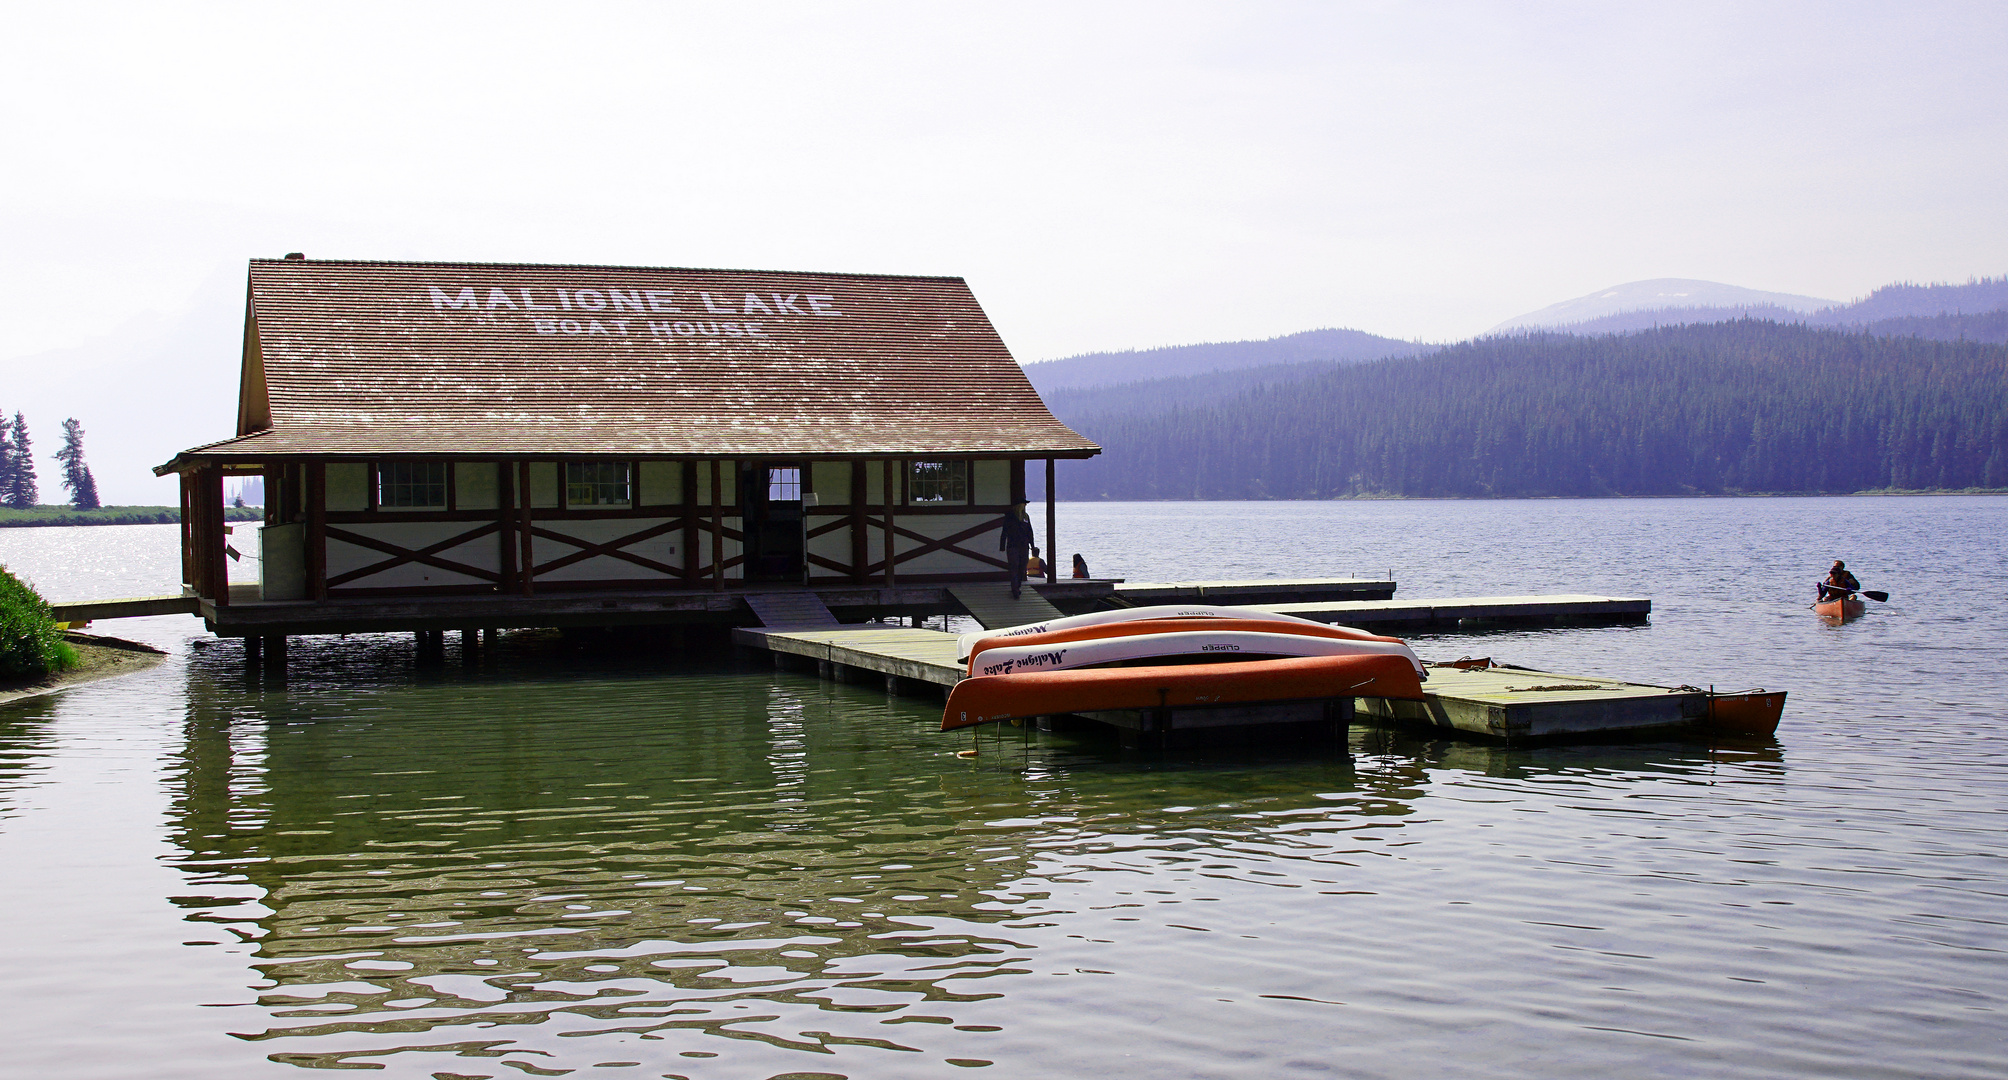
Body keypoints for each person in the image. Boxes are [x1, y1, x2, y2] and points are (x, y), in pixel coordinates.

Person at [999, 502, 1034, 598]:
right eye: (1024, 504)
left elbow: (1030, 532)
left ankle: (1017, 586)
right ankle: (1015, 590)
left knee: (1022, 568)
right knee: (1014, 567)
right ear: (1019, 505)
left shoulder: (1026, 517)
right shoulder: (1010, 517)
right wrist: (1002, 545)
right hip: (1013, 546)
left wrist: (1032, 545)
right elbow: (1004, 531)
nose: (1025, 506)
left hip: (1024, 546)